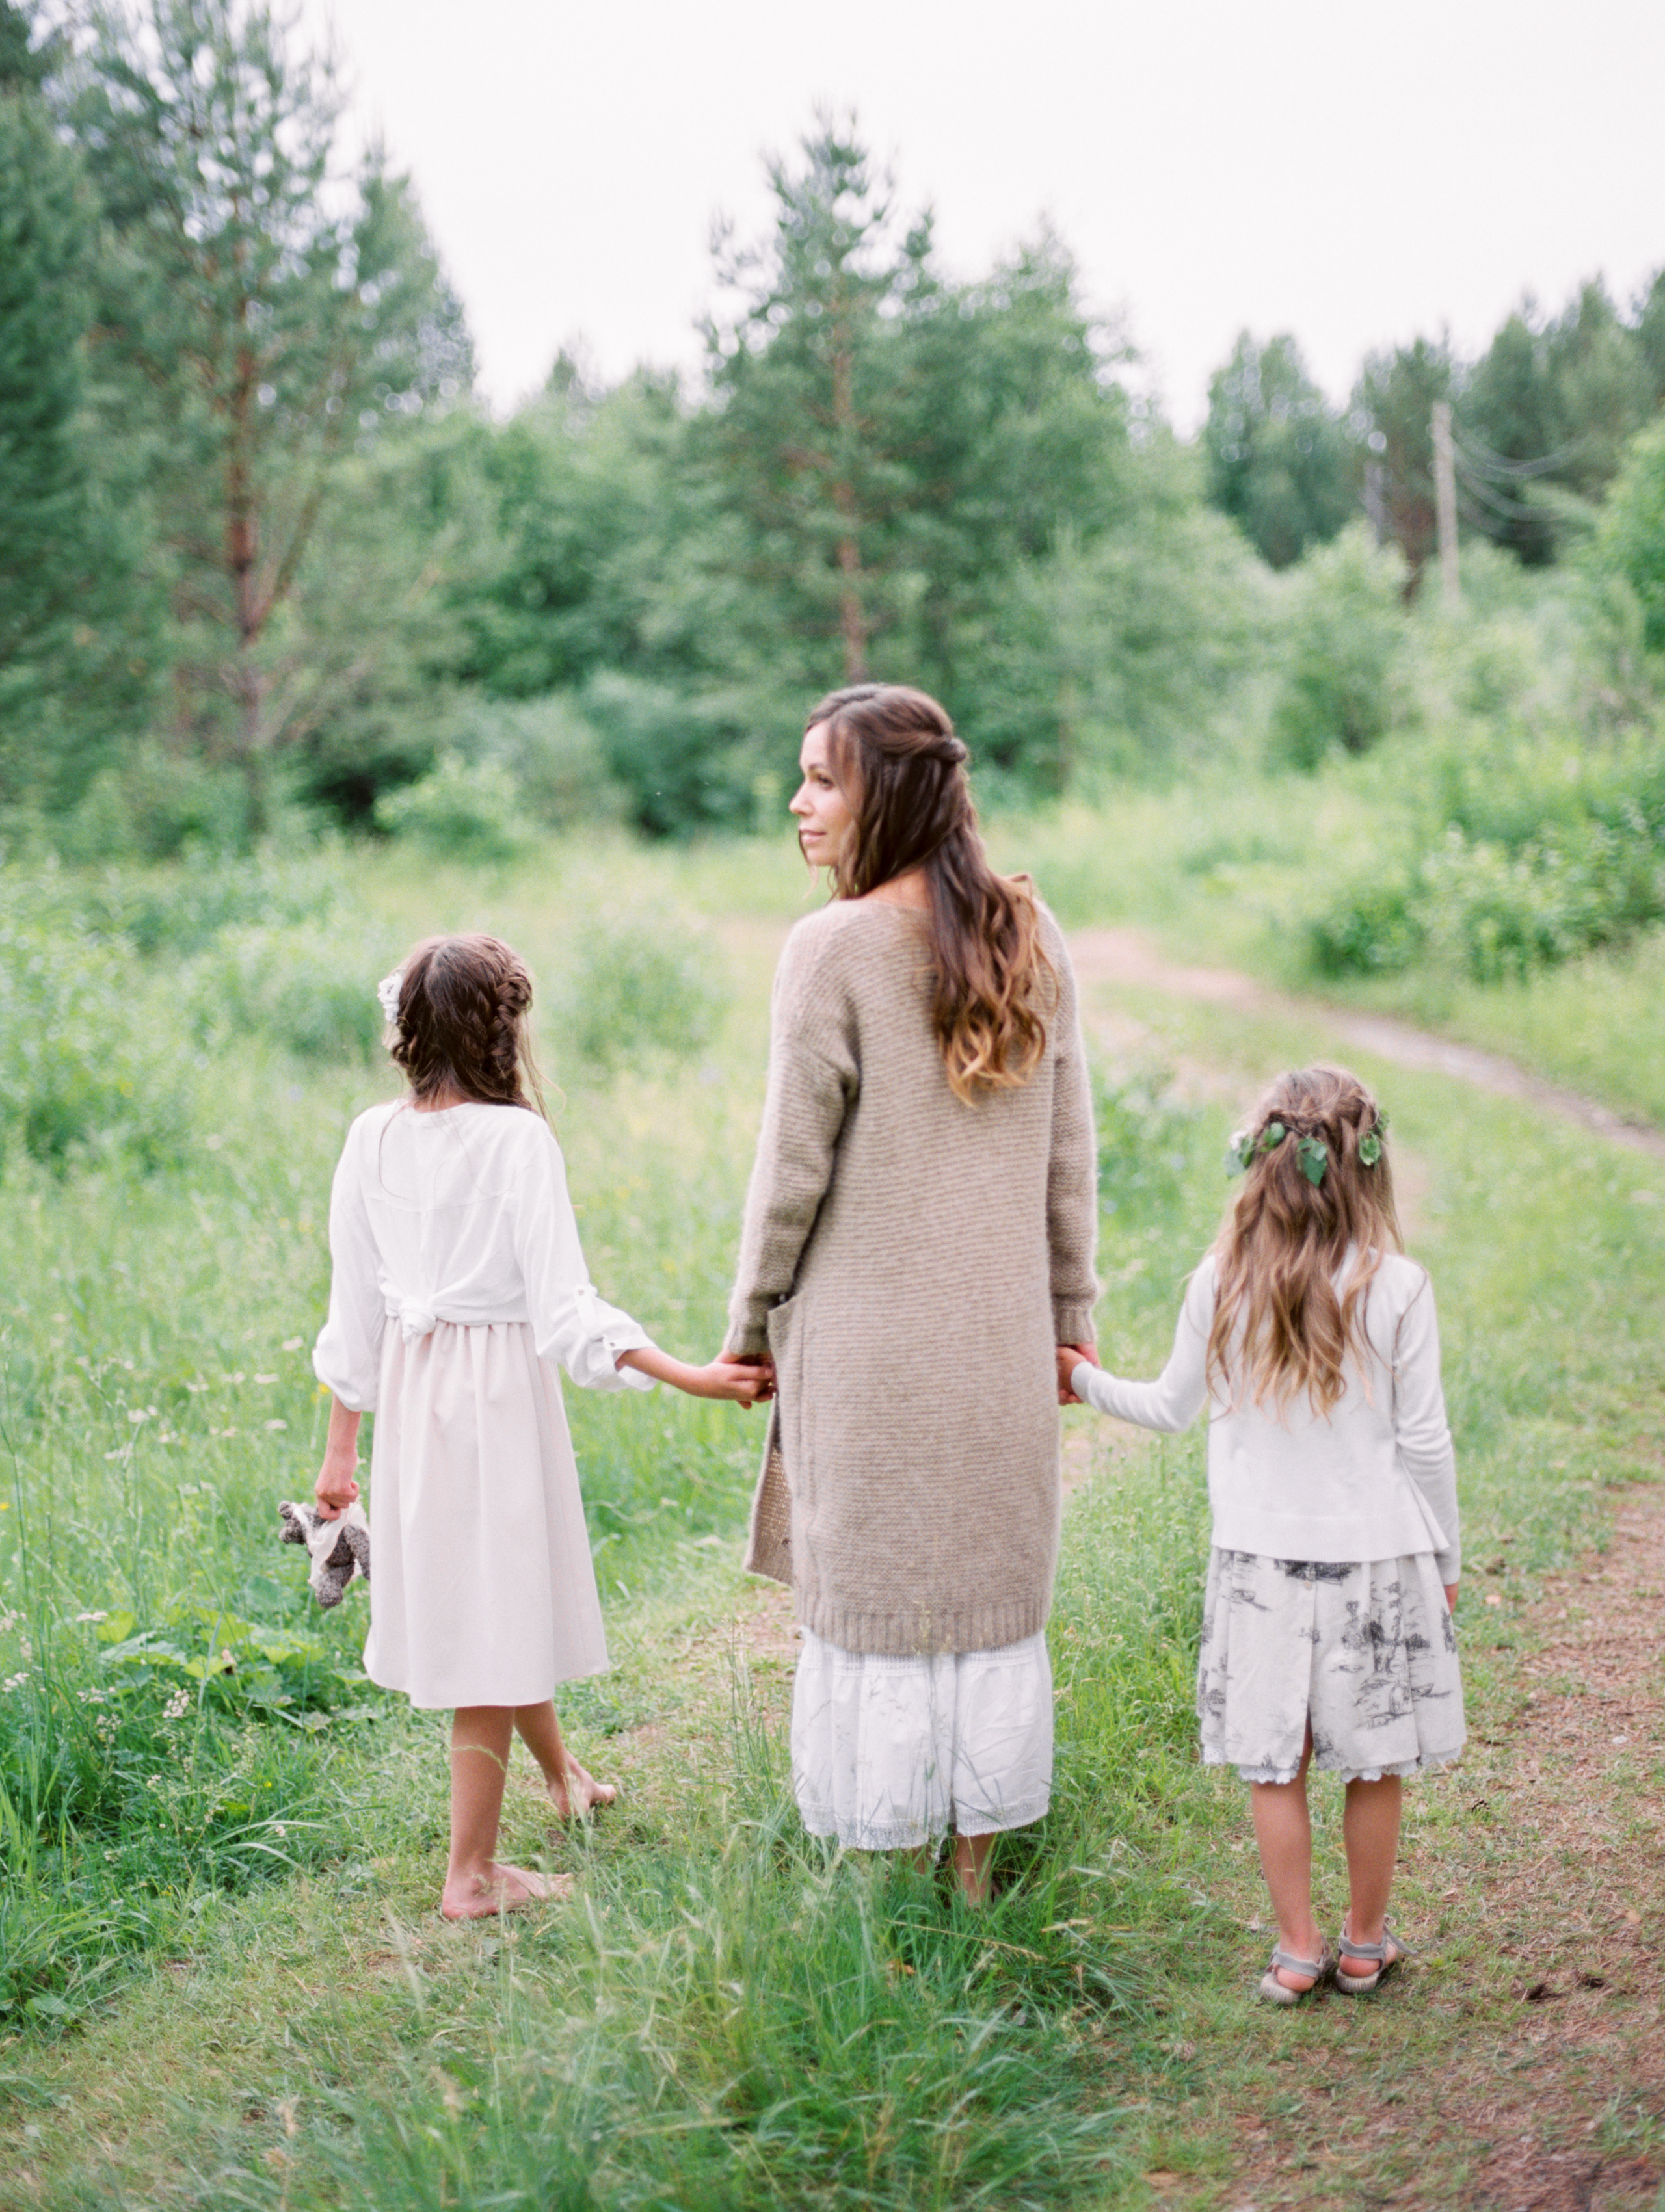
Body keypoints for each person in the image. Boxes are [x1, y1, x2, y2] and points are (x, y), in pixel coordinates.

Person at [725, 683, 1099, 1904]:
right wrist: (1071, 1317)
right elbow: (1069, 1161)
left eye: (822, 779)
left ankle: (884, 1893)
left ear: (886, 790)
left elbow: (790, 1172)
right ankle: (975, 1877)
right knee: (990, 1594)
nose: (798, 802)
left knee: (879, 1604)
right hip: (998, 1338)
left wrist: (748, 1326)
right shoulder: (1032, 939)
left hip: (868, 1343)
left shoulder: (827, 947)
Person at [311, 932, 767, 1919]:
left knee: (493, 1596)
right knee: (489, 1623)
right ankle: (470, 1877)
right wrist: (694, 1376)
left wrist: (343, 1447)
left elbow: (356, 1311)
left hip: (417, 1404)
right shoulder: (519, 1140)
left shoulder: (368, 1136)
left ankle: (563, 1781)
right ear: (501, 1028)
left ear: (408, 1032)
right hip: (494, 1401)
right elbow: (567, 1314)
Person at [1061, 1065, 1463, 2001]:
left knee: (1275, 1763)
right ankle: (1365, 1944)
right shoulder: (1398, 1286)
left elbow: (1166, 1408)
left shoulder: (1221, 1280)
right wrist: (1443, 1552)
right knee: (1375, 1762)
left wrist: (1081, 1377)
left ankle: (1296, 1948)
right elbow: (1426, 1440)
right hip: (1377, 1557)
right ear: (1367, 1167)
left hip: (1257, 1567)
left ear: (1261, 1162)